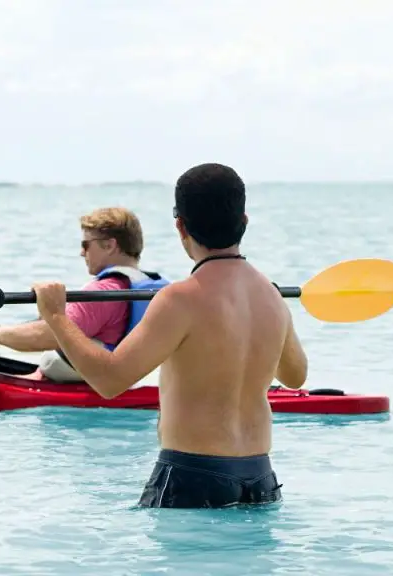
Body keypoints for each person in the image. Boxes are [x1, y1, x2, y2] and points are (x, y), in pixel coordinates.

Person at [32, 163, 308, 509]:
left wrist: (56, 316)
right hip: (260, 479)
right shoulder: (271, 295)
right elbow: (295, 375)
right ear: (244, 221)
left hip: (193, 476)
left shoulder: (180, 299)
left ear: (180, 226)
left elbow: (109, 380)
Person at [0, 206, 170, 382]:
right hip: (128, 379)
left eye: (86, 245)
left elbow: (48, 335)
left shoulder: (103, 292)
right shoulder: (152, 287)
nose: (82, 253)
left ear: (109, 245)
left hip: (96, 385)